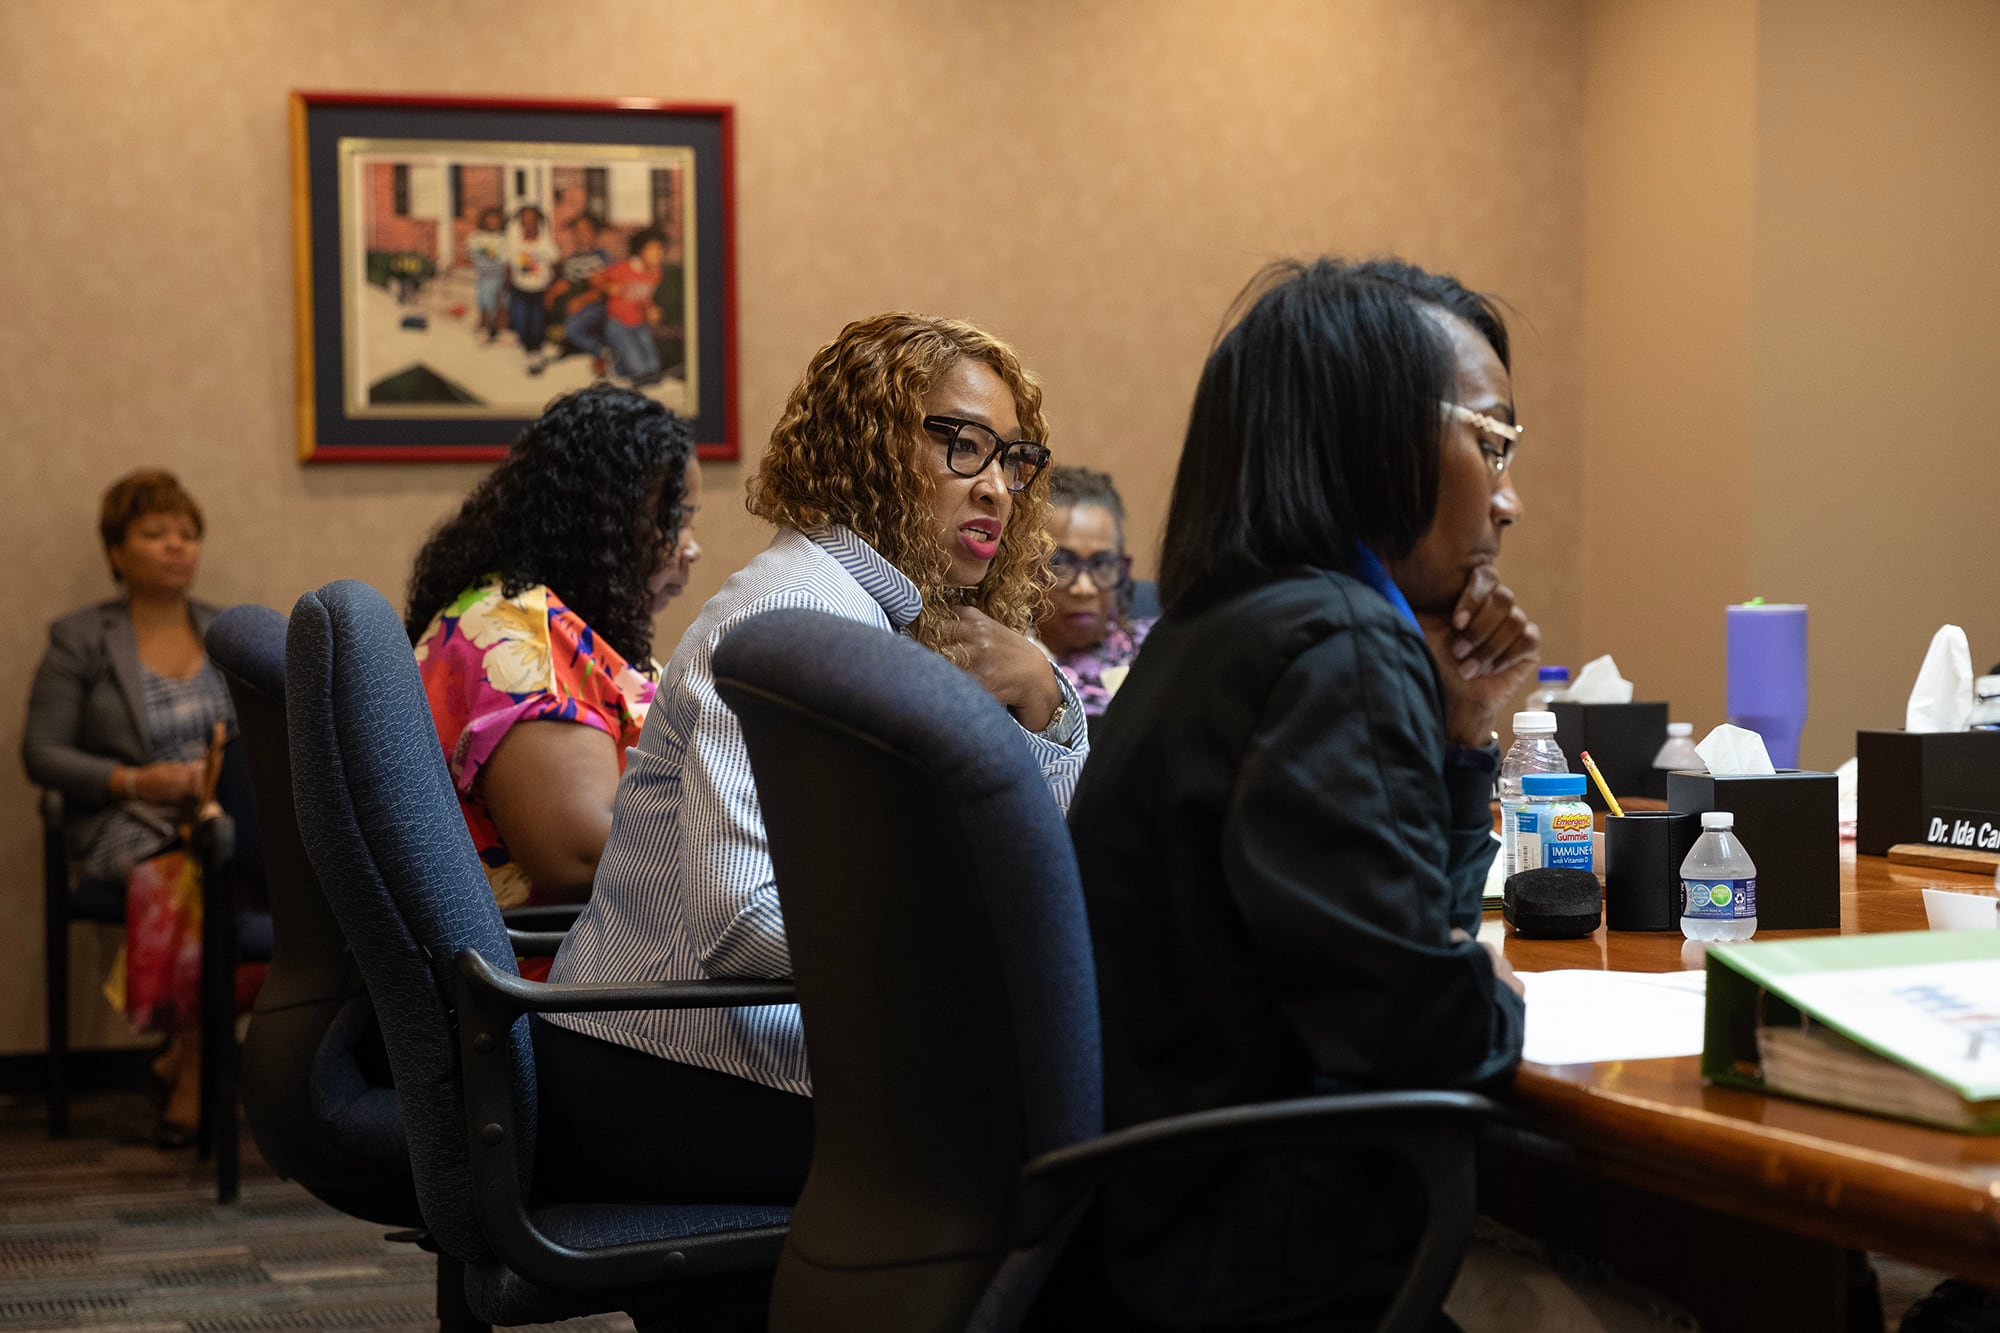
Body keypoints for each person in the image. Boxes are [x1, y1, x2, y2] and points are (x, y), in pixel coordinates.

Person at [1056, 258, 1542, 1330]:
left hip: (1145, 1244)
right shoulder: (1335, 643)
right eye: (1491, 441)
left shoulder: (1219, 626)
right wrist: (1505, 1004)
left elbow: (1405, 937)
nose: (1507, 498)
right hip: (1267, 1273)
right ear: (1374, 434)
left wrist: (1464, 738)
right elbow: (1422, 1033)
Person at [538, 311, 1089, 1204]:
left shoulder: (901, 620)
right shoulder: (791, 621)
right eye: (964, 445)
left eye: (1013, 460)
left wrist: (1046, 705)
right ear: (865, 443)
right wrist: (975, 950)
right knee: (1048, 1151)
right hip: (657, 1064)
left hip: (741, 1048)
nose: (996, 487)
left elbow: (1044, 857)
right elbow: (740, 919)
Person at [22, 469, 252, 1145]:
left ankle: (183, 1054)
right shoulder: (80, 638)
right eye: (155, 533)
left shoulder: (225, 631)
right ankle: (194, 1068)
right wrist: (135, 781)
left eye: (187, 533)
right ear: (116, 551)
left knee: (266, 873)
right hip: (124, 823)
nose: (176, 546)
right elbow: (42, 752)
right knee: (192, 871)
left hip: (219, 820)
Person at [405, 385, 700, 910]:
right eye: (674, 520)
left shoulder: (539, 617)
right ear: (602, 518)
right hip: (566, 970)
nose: (691, 547)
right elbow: (578, 858)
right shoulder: (514, 640)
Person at [1035, 466, 1155, 718]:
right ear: (1027, 566)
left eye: (1101, 564)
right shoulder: (1008, 662)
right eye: (1061, 563)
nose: (1084, 588)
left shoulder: (1156, 650)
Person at [532, 212, 612, 377]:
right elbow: (567, 282)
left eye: (586, 230)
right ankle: (543, 351)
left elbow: (603, 288)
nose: (581, 233)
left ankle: (604, 353)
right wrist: (551, 294)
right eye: (577, 230)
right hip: (575, 301)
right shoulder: (573, 258)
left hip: (597, 304)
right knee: (540, 308)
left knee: (572, 328)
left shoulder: (601, 256)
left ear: (594, 233)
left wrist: (581, 301)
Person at [597, 227, 668, 386]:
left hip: (638, 323)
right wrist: (608, 287)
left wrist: (651, 309)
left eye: (660, 251)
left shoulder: (656, 273)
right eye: (652, 250)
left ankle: (621, 366)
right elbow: (597, 278)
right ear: (640, 250)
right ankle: (619, 365)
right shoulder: (624, 268)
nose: (658, 255)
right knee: (639, 368)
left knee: (653, 366)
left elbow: (645, 297)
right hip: (618, 324)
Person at [504, 204, 559, 359]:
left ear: (538, 222)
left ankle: (534, 349)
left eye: (532, 220)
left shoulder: (545, 243)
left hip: (539, 289)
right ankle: (524, 344)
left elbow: (556, 262)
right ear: (520, 222)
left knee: (536, 321)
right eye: (524, 220)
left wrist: (552, 286)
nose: (528, 223)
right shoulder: (515, 242)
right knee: (520, 320)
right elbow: (508, 264)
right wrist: (506, 283)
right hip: (520, 288)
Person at [464, 207, 508, 343]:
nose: (492, 222)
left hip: (501, 275)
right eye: (489, 219)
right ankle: (483, 329)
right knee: (485, 303)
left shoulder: (505, 238)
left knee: (502, 304)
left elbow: (508, 257)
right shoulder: (476, 237)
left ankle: (502, 331)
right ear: (483, 220)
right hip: (485, 276)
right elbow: (473, 255)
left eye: (496, 219)